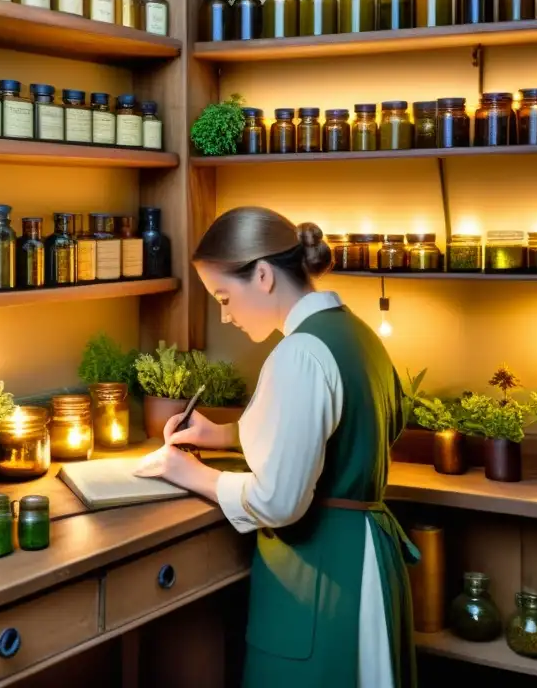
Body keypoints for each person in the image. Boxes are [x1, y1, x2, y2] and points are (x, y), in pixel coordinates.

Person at [135, 206, 418, 688]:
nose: (225, 315)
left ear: (263, 275)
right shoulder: (357, 333)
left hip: (325, 573)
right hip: (367, 558)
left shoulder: (299, 353)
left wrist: (185, 472)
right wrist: (222, 435)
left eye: (224, 296)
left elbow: (278, 501)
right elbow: (346, 431)